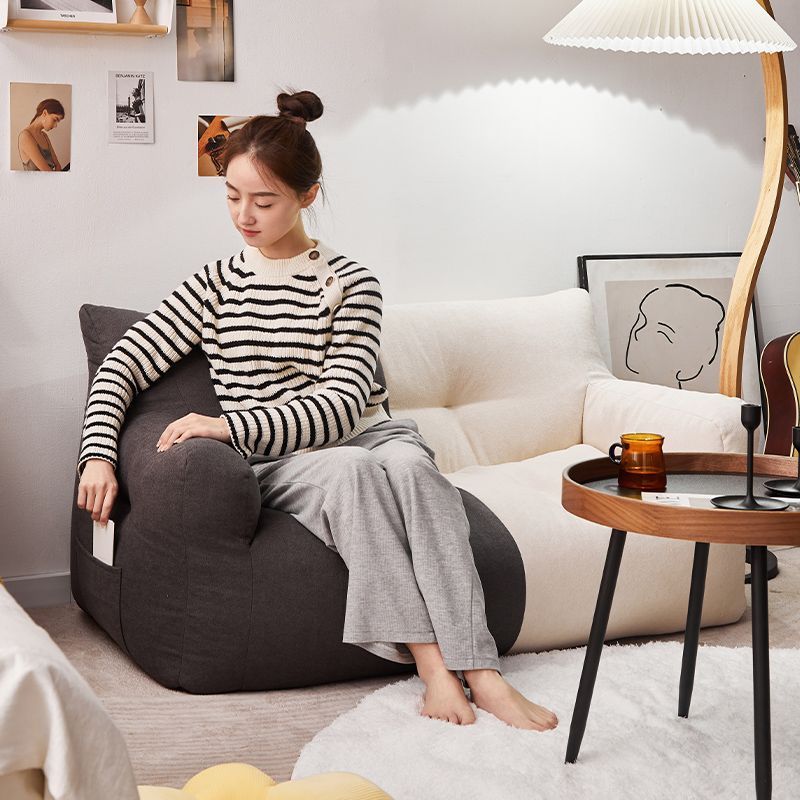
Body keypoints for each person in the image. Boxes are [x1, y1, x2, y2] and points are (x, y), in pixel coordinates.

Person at [75, 89, 558, 733]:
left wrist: (224, 425)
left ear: (308, 195)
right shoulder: (214, 285)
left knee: (412, 470)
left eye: (264, 200)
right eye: (232, 196)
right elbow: (123, 365)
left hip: (365, 432)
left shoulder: (351, 283)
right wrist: (99, 455)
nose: (243, 215)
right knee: (350, 473)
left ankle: (483, 670)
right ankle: (433, 667)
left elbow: (341, 405)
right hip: (282, 457)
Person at [18, 99, 64, 172]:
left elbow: (57, 165)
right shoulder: (25, 136)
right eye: (55, 120)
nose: (55, 126)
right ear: (44, 113)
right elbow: (46, 172)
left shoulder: (44, 136)